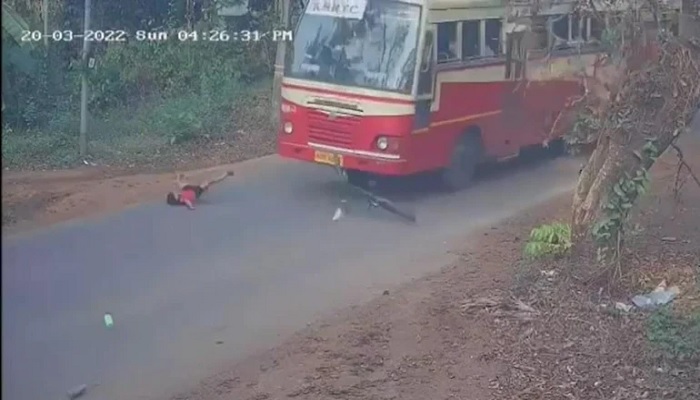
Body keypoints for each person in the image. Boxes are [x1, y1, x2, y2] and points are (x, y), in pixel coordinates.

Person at [166, 170, 234, 210]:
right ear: (175, 198)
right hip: (196, 191)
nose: (175, 193)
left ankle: (178, 176)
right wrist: (191, 207)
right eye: (174, 194)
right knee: (210, 182)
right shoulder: (182, 199)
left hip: (188, 189)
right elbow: (187, 202)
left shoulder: (180, 196)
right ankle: (226, 174)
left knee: (180, 183)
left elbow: (181, 195)